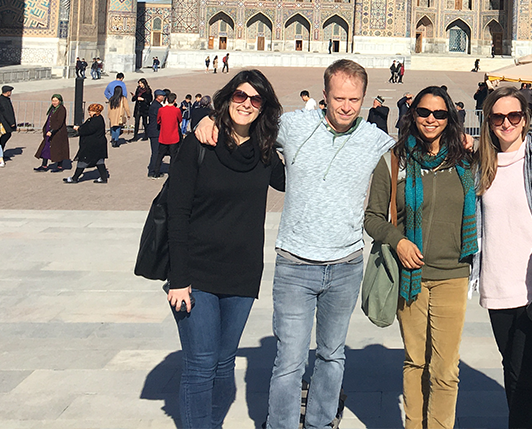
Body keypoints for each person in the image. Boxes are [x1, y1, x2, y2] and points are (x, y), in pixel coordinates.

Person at [192, 60, 395, 428]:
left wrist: (463, 138)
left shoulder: (374, 138)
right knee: (289, 361)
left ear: (364, 98)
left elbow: (417, 148)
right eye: (338, 98)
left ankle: (319, 423)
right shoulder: (295, 125)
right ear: (324, 96)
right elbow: (247, 119)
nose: (346, 106)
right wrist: (207, 118)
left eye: (354, 99)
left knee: (333, 356)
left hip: (346, 266)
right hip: (295, 265)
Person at [166, 70, 285, 429]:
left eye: (255, 99)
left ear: (263, 107)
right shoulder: (198, 144)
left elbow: (301, 175)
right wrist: (178, 278)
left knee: (222, 362)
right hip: (197, 273)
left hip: (242, 274)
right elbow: (178, 212)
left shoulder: (264, 153)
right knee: (201, 364)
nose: (246, 104)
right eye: (239, 96)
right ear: (227, 98)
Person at [364, 86, 477, 429]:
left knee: (445, 367)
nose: (431, 119)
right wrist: (398, 242)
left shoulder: (464, 160)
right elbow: (372, 218)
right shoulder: (394, 160)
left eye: (440, 114)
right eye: (424, 113)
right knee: (415, 360)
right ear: (412, 115)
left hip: (452, 275)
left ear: (451, 118)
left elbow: (509, 149)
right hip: (409, 275)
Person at [474, 86, 532, 429]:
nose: (506, 123)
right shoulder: (480, 164)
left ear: (526, 120)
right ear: (488, 120)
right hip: (497, 285)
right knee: (512, 366)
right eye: (498, 116)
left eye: (514, 116)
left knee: (523, 372)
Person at [64, 103, 109, 183]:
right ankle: (103, 177)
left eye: (91, 111)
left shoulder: (96, 120)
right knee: (99, 161)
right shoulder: (96, 118)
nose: (89, 113)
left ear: (96, 111)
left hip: (92, 145)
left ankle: (75, 178)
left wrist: (79, 129)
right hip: (99, 145)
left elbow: (88, 130)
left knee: (83, 161)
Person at [34, 94, 69, 172]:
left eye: (56, 101)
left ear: (60, 101)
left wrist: (52, 131)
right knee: (45, 148)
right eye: (53, 100)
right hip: (49, 132)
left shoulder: (61, 109)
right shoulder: (53, 109)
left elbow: (59, 122)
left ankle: (59, 166)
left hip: (58, 133)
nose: (54, 102)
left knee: (58, 149)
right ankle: (44, 165)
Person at [152, 93, 182, 178]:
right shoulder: (177, 110)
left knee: (160, 155)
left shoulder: (161, 110)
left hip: (164, 136)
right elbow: (179, 120)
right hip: (173, 136)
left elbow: (158, 120)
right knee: (173, 156)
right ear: (174, 100)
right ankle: (172, 172)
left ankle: (156, 172)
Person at [146, 89, 166, 177]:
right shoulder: (156, 107)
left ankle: (155, 170)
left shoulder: (155, 105)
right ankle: (152, 171)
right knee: (156, 152)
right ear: (159, 96)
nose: (164, 97)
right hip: (155, 132)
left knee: (157, 152)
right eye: (162, 96)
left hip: (154, 131)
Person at [0, 85, 16, 167]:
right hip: (4, 122)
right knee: (5, 135)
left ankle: (1, 153)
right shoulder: (2, 100)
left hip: (5, 122)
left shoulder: (5, 99)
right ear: (7, 92)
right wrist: (11, 122)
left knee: (6, 136)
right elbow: (6, 112)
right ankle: (0, 155)